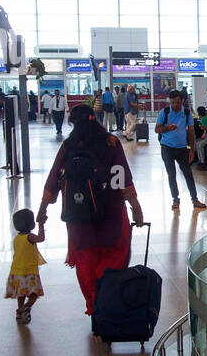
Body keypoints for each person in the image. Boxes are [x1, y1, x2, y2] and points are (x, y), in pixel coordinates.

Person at [36, 104, 144, 316]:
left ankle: (94, 306)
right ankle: (108, 303)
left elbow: (53, 179)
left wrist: (42, 210)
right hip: (111, 213)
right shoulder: (110, 144)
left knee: (85, 261)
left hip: (78, 217)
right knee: (114, 256)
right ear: (94, 119)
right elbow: (121, 178)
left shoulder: (68, 147)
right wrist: (136, 208)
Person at [155, 89, 206, 210]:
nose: (175, 105)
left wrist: (192, 150)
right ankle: (175, 199)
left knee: (188, 174)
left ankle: (195, 199)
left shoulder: (187, 113)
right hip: (167, 148)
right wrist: (167, 127)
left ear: (182, 101)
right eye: (172, 102)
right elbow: (157, 130)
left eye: (177, 102)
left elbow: (191, 132)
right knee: (171, 174)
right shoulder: (165, 112)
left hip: (182, 148)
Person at [5, 208, 45, 324]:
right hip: (29, 272)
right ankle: (26, 307)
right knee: (34, 293)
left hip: (16, 272)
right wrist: (41, 225)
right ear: (31, 224)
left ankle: (19, 313)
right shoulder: (30, 237)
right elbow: (41, 239)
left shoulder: (17, 238)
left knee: (21, 294)